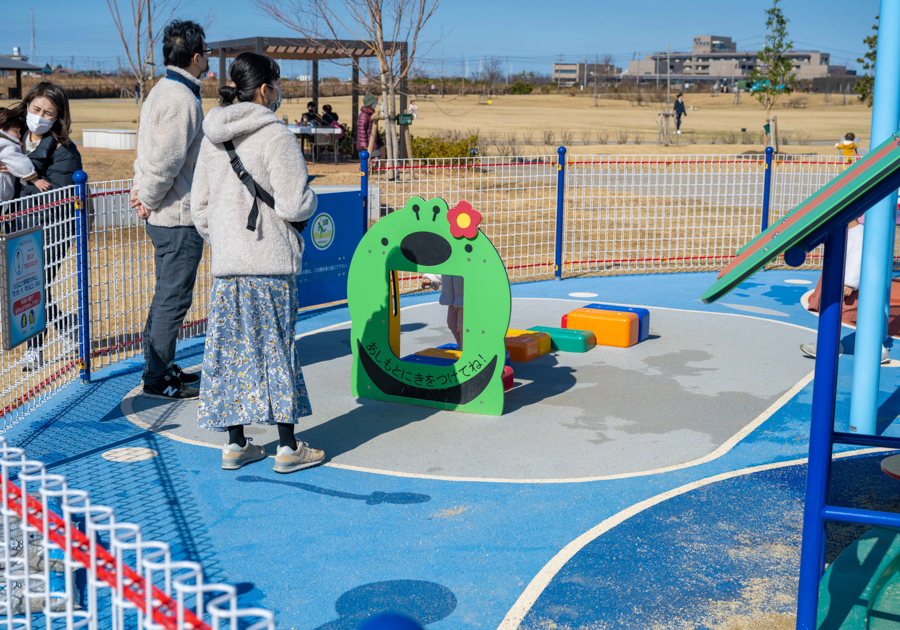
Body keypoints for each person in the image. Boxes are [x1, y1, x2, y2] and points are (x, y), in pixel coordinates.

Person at [191, 51, 324, 474]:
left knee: (230, 353)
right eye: (279, 83)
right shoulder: (276, 136)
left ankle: (236, 444)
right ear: (266, 89)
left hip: (228, 267)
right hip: (270, 265)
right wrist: (310, 200)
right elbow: (295, 204)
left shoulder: (212, 137)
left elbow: (200, 209)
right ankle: (287, 447)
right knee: (277, 351)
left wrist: (227, 240)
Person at [130, 19, 209, 400]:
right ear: (195, 57)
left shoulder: (162, 90)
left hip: (164, 214)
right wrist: (146, 197)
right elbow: (165, 162)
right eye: (206, 52)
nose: (208, 58)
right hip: (177, 217)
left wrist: (140, 192)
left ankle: (158, 366)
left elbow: (146, 154)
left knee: (166, 295)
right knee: (173, 299)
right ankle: (157, 377)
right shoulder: (182, 100)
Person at [4, 83, 84, 371]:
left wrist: (23, 173)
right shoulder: (11, 137)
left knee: (34, 285)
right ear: (26, 106)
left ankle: (34, 349)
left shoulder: (64, 149)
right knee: (26, 285)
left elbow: (58, 194)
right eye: (36, 109)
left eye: (48, 112)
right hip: (18, 225)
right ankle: (67, 324)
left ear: (58, 117)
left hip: (52, 228)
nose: (40, 116)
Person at [802, 218, 891, 364]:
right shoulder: (844, 232)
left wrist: (850, 282)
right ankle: (829, 345)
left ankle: (877, 350)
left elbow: (858, 259)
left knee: (849, 315)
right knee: (831, 314)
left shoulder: (859, 233)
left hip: (846, 284)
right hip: (836, 278)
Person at [0, 106, 44, 202]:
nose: (19, 136)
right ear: (2, 129)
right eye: (16, 131)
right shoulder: (7, 144)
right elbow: (20, 163)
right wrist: (35, 179)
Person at [439, 275, 464, 349]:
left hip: (465, 299)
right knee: (452, 324)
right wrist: (430, 278)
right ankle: (460, 346)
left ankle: (464, 348)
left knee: (462, 327)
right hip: (452, 299)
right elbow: (441, 268)